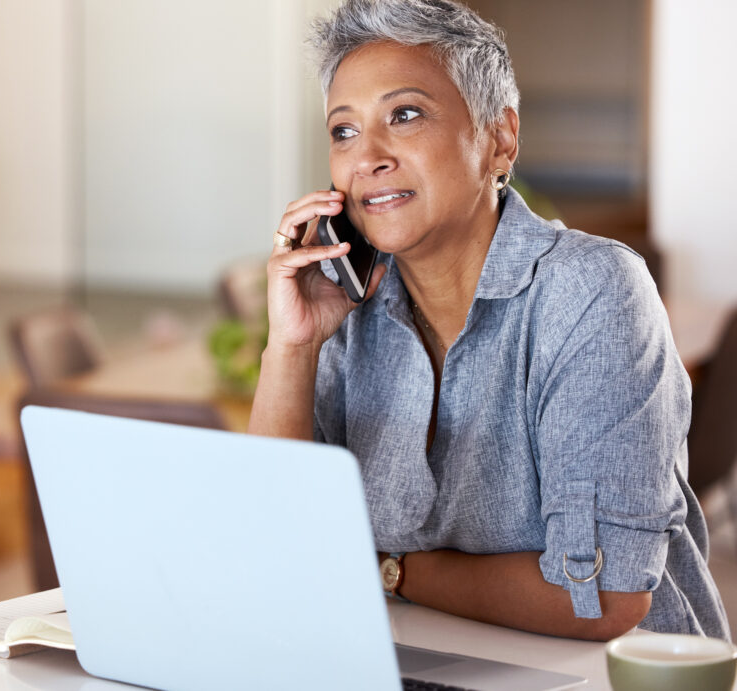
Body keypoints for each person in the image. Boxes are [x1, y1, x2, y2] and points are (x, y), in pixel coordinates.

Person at [249, 0, 729, 641]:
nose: (368, 156)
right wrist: (293, 345)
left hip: (610, 674)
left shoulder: (591, 292)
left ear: (499, 138)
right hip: (415, 658)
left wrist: (390, 573)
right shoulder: (351, 311)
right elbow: (273, 548)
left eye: (405, 114)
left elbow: (601, 599)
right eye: (343, 131)